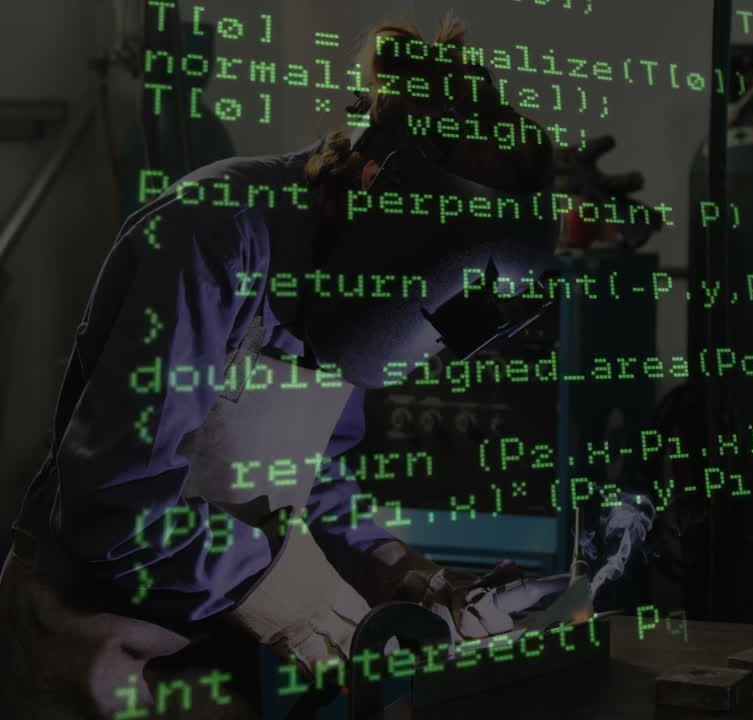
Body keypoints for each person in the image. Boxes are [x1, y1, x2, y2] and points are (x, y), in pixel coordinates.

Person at [0, 14, 555, 719]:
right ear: (383, 195)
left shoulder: (347, 274)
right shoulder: (211, 237)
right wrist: (300, 598)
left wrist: (394, 567)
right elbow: (118, 506)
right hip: (87, 653)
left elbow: (309, 479)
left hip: (215, 661)